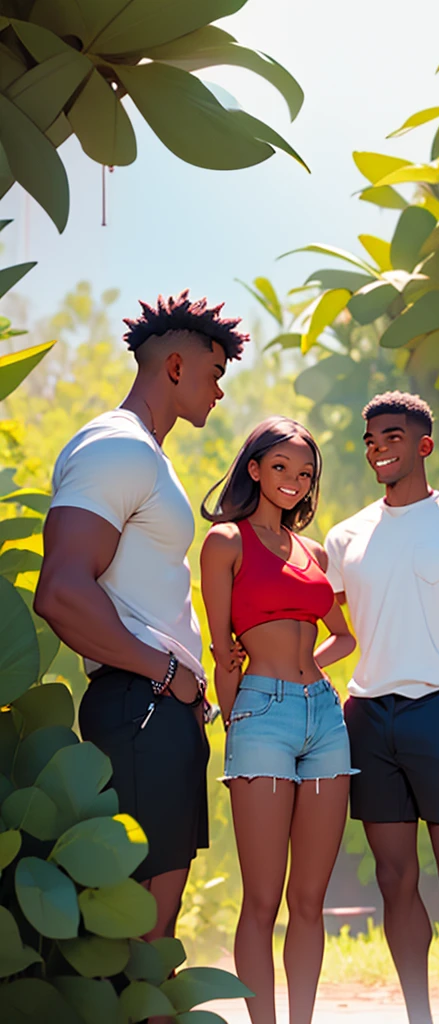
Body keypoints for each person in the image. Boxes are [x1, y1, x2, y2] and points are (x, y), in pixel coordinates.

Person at [34, 292, 248, 951]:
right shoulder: (117, 448)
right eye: (213, 375)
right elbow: (62, 590)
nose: (219, 392)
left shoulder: (146, 458)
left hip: (158, 712)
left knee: (154, 931)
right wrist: (164, 674)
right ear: (176, 368)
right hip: (141, 709)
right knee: (138, 936)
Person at [324, 391, 439, 1024]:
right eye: (372, 438)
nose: (379, 448)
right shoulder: (344, 537)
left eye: (393, 437)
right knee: (393, 881)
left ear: (423, 445)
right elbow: (325, 628)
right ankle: (419, 1018)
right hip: (367, 721)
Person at [200, 416, 357, 1024]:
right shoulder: (226, 542)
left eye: (305, 473)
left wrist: (307, 675)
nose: (294, 481)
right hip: (260, 715)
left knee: (310, 901)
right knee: (263, 898)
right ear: (255, 469)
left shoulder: (314, 553)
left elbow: (341, 638)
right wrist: (239, 714)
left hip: (323, 717)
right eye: (282, 468)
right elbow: (222, 649)